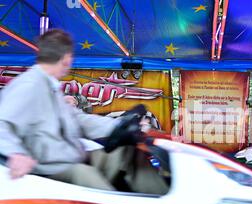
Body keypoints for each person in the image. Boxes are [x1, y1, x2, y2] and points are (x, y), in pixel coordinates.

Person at [0, 29, 167, 194]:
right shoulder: (29, 86)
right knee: (89, 177)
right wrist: (16, 154)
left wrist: (118, 125)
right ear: (65, 59)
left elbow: (79, 120)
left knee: (126, 152)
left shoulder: (50, 87)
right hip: (50, 169)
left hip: (72, 157)